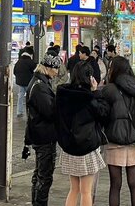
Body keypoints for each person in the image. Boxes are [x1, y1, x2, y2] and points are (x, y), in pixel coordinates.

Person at [100, 56, 135, 206]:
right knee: (134, 184)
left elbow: (102, 115)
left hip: (114, 140)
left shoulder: (109, 89)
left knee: (115, 185)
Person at [55, 62, 107, 206]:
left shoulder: (62, 94)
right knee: (86, 191)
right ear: (89, 77)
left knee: (74, 189)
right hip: (87, 148)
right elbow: (103, 113)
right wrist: (96, 92)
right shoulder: (89, 98)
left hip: (69, 148)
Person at [24, 53, 62, 206]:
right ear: (48, 68)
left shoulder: (39, 82)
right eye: (56, 68)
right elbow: (49, 112)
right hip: (44, 135)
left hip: (39, 134)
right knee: (44, 176)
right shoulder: (40, 86)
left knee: (39, 174)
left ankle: (37, 202)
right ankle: (40, 203)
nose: (57, 72)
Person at [14, 46, 36, 117]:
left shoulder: (18, 61)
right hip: (29, 82)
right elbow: (35, 72)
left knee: (20, 96)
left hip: (20, 82)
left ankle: (19, 112)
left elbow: (15, 71)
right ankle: (30, 112)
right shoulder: (31, 62)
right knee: (30, 97)